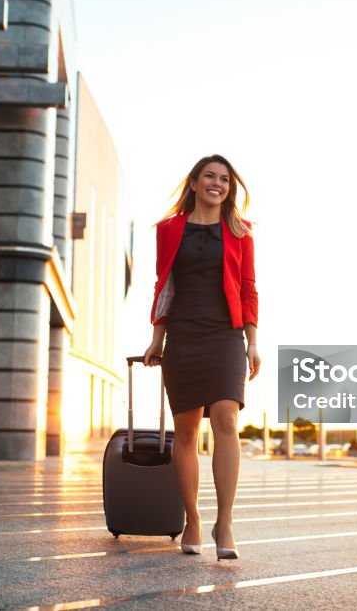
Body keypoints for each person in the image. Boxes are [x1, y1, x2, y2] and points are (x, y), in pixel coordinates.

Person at [143, 154, 261, 561]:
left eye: (225, 179)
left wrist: (253, 341)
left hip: (226, 333)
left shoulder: (240, 232)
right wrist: (157, 337)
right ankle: (193, 518)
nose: (218, 183)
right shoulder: (169, 229)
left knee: (227, 418)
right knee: (188, 431)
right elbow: (164, 284)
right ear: (193, 183)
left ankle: (224, 522)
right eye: (209, 176)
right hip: (185, 333)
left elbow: (248, 288)